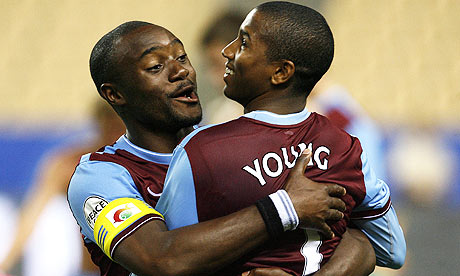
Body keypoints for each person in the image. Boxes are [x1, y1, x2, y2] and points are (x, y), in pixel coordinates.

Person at [67, 20, 376, 276]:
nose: (180, 72)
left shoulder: (233, 148)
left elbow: (360, 243)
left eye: (182, 58)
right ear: (115, 94)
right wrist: (283, 208)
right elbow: (160, 260)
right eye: (156, 66)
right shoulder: (101, 177)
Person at [156, 1, 406, 275]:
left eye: (243, 44)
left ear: (281, 72)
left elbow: (168, 258)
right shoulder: (345, 147)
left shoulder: (201, 149)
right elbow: (392, 250)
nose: (228, 53)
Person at [0, 100, 124, 276]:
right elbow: (33, 214)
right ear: (99, 123)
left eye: (119, 125)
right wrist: (5, 264)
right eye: (109, 124)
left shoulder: (151, 161)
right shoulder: (72, 164)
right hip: (91, 270)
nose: (114, 133)